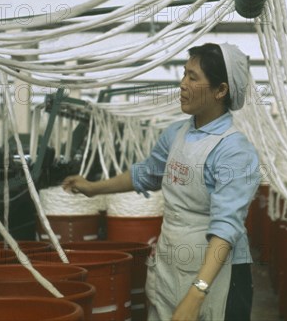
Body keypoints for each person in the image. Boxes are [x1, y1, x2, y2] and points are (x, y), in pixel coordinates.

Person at [62, 43, 260, 321]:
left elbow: (226, 229)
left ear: (221, 90)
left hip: (217, 272)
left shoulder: (234, 151)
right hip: (170, 259)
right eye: (183, 74)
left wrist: (196, 293)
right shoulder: (175, 135)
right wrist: (93, 188)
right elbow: (146, 174)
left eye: (193, 77)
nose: (182, 84)